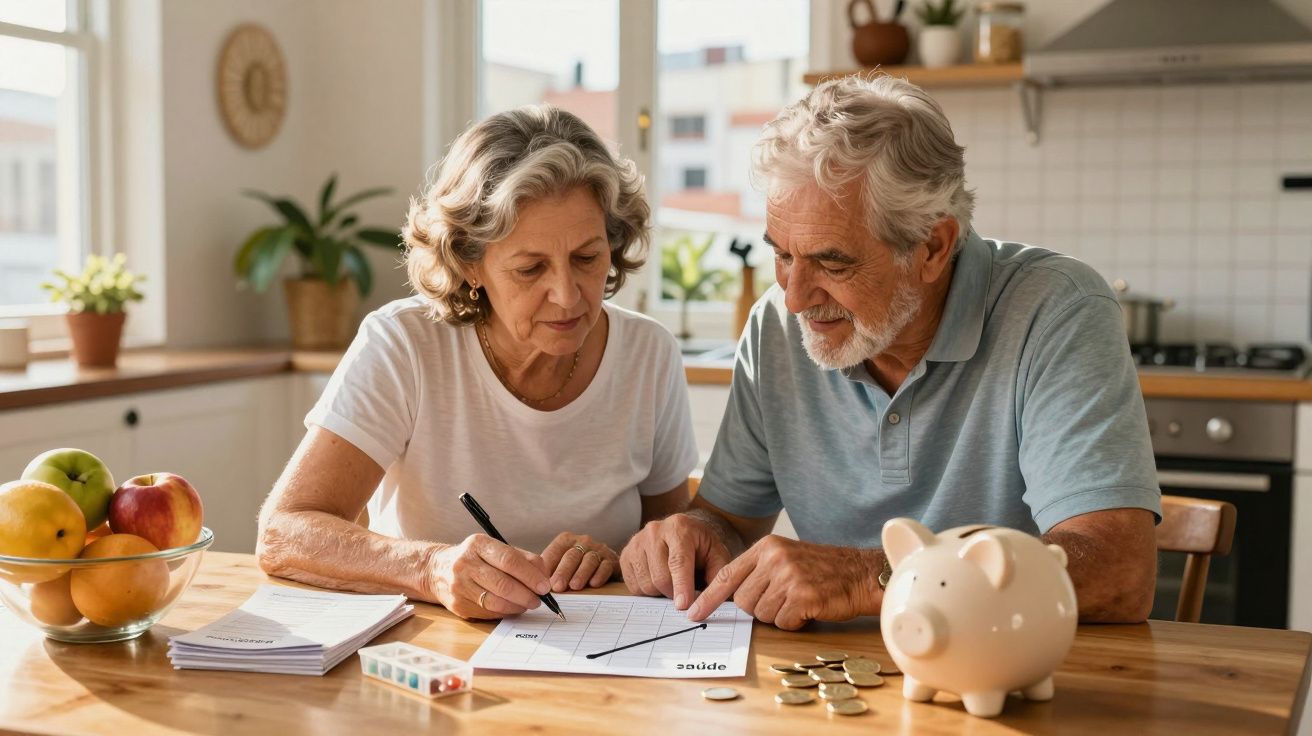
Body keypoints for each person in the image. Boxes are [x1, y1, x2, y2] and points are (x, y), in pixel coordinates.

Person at [620, 75, 1161, 629]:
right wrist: (693, 536)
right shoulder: (775, 328)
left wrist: (868, 577)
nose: (795, 296)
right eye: (782, 255)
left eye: (833, 263)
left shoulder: (1057, 310)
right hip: (835, 684)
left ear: (932, 248)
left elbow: (1120, 574)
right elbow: (728, 522)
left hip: (1012, 678)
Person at [257, 105, 698, 620]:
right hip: (431, 661)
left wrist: (622, 562)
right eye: (530, 268)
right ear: (470, 264)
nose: (567, 295)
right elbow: (283, 533)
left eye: (586, 258)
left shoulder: (649, 354)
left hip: (597, 663)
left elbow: (674, 551)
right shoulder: (404, 345)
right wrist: (431, 568)